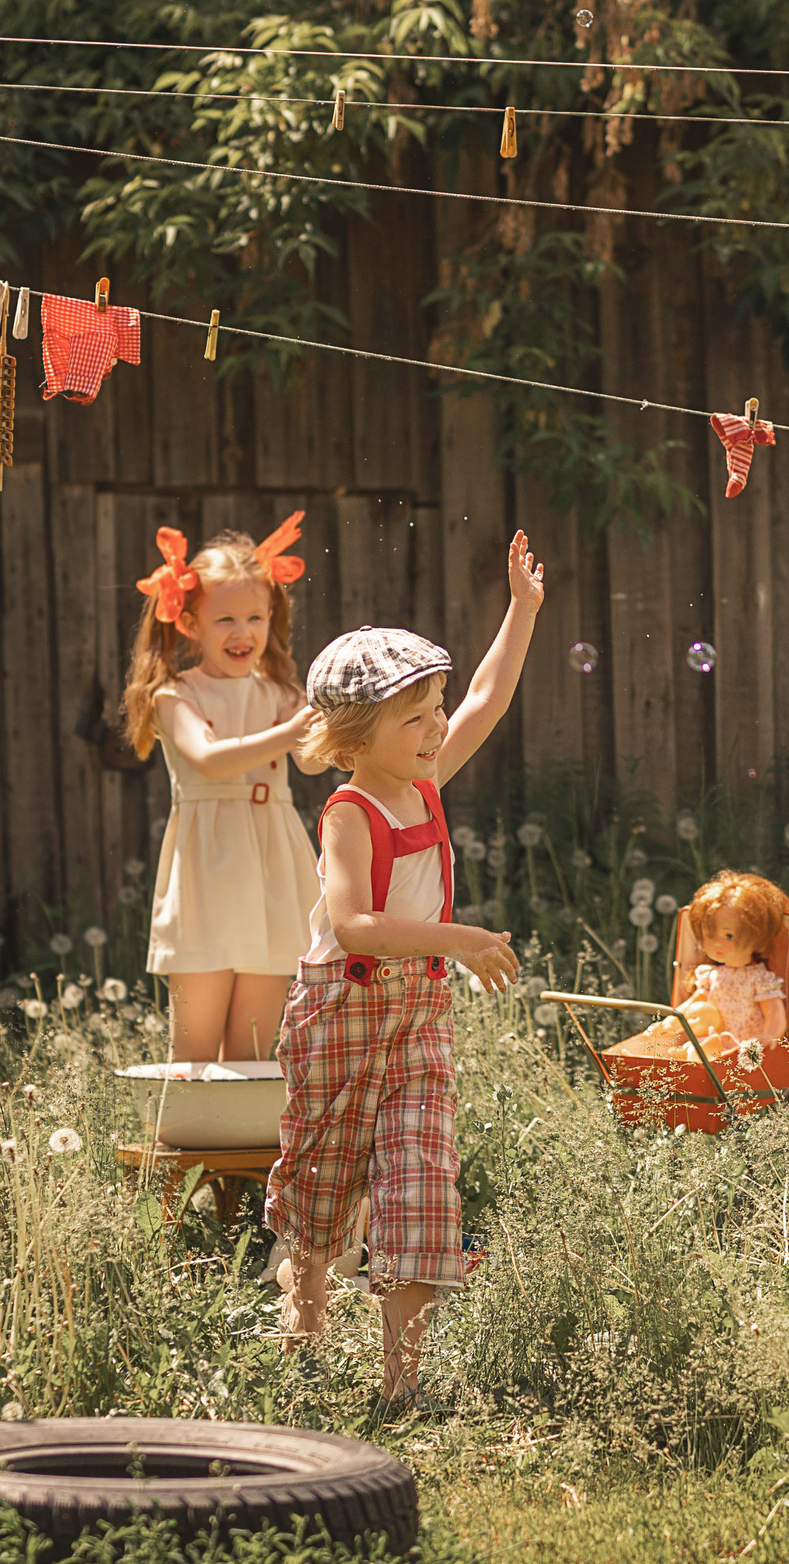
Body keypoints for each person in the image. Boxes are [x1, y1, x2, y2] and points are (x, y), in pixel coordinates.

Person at [268, 532, 545, 1419]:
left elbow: (489, 699)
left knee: (421, 1184)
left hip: (416, 1013)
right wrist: (457, 937)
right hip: (340, 1009)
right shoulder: (351, 811)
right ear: (358, 735)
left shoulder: (423, 779)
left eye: (435, 709)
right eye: (416, 717)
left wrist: (522, 610)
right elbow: (354, 923)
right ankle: (305, 1318)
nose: (437, 728)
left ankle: (402, 1383)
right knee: (324, 1185)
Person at [123, 519, 322, 1063]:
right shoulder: (175, 695)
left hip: (272, 863)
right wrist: (291, 731)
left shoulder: (282, 692)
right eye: (226, 619)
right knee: (195, 1053)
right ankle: (189, 1120)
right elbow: (209, 761)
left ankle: (245, 1119)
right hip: (208, 869)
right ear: (190, 623)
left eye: (255, 617)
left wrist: (341, 721)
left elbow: (309, 761)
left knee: (253, 1051)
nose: (243, 632)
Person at [609, 869, 789, 1059]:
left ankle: (692, 1055)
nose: (717, 943)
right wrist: (670, 1022)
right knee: (699, 1032)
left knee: (705, 1051)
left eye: (729, 936)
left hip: (743, 1047)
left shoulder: (760, 979)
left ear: (759, 939)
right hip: (711, 1036)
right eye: (709, 935)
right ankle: (676, 1054)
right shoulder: (710, 975)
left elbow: (774, 1012)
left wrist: (769, 1035)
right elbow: (693, 1003)